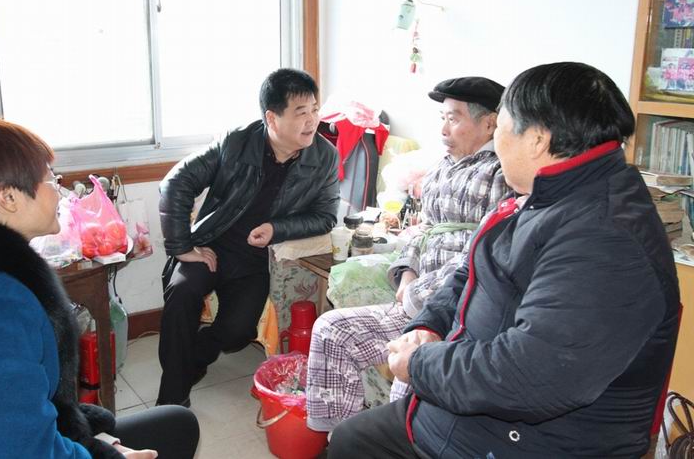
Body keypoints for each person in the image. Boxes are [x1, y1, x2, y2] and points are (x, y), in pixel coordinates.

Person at [327, 62, 681, 458]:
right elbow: (469, 273)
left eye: (501, 127)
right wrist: (429, 324)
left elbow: (531, 377)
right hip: (469, 418)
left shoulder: (607, 240)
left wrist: (422, 364)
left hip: (531, 441)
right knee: (351, 440)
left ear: (537, 140)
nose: (495, 141)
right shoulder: (544, 194)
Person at [0, 119, 199, 459]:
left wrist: (96, 440)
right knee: (175, 430)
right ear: (8, 196)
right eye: (51, 179)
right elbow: (22, 451)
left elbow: (13, 409)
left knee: (177, 424)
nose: (58, 190)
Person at [306, 76, 510, 432]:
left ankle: (392, 441)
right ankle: (338, 439)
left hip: (455, 314)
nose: (443, 129)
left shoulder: (500, 173)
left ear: (490, 123)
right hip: (418, 300)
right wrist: (406, 272)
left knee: (407, 381)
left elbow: (482, 256)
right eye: (442, 118)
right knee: (330, 330)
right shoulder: (444, 165)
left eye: (454, 119)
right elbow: (423, 228)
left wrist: (420, 294)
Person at [156, 68, 339, 406]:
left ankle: (193, 357)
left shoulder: (324, 156)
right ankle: (171, 401)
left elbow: (326, 216)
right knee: (182, 293)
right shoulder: (237, 142)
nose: (312, 120)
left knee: (237, 333)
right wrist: (183, 247)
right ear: (272, 118)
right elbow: (175, 183)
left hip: (256, 262)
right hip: (211, 245)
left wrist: (277, 229)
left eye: (315, 109)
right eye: (301, 112)